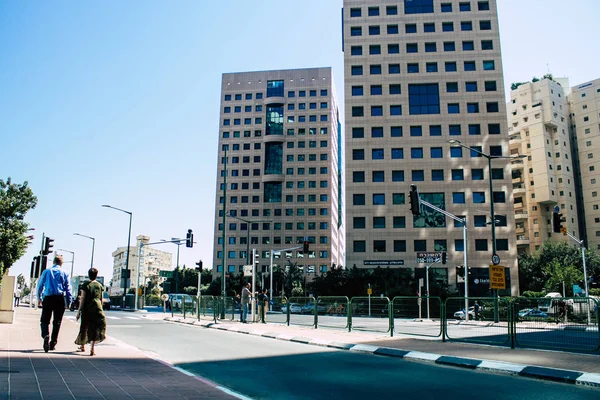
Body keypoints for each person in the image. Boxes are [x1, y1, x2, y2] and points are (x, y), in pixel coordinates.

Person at [37, 255, 72, 353]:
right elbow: (68, 288)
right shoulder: (65, 273)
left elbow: (40, 285)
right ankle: (53, 343)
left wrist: (39, 297)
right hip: (59, 299)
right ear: (61, 263)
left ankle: (45, 335)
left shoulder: (46, 271)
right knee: (57, 322)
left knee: (44, 320)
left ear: (54, 262)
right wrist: (69, 301)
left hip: (48, 298)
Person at [74, 268, 106, 356]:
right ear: (96, 275)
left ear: (89, 275)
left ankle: (83, 345)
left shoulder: (85, 285)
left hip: (87, 308)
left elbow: (83, 298)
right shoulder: (99, 285)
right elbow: (101, 299)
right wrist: (101, 308)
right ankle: (92, 348)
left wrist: (79, 311)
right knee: (94, 327)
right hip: (97, 308)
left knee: (84, 326)